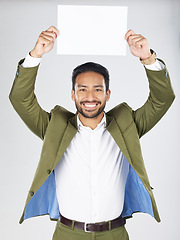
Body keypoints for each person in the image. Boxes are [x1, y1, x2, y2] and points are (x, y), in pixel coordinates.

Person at [9, 26, 175, 240]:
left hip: (114, 234)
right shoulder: (54, 128)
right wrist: (36, 55)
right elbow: (21, 100)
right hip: (68, 234)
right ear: (72, 94)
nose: (90, 96)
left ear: (107, 94)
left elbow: (162, 100)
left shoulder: (127, 126)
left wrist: (147, 58)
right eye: (82, 89)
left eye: (97, 89)